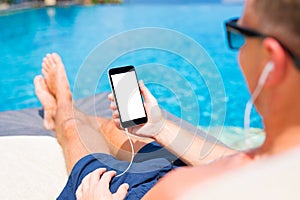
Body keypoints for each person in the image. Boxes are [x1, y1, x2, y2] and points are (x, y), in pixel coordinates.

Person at [34, 0, 300, 198]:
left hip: (125, 192)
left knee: (73, 131)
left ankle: (62, 109)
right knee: (113, 130)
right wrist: (160, 127)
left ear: (272, 61)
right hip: (197, 167)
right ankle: (62, 112)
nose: (239, 49)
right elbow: (241, 162)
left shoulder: (178, 191)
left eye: (238, 34)